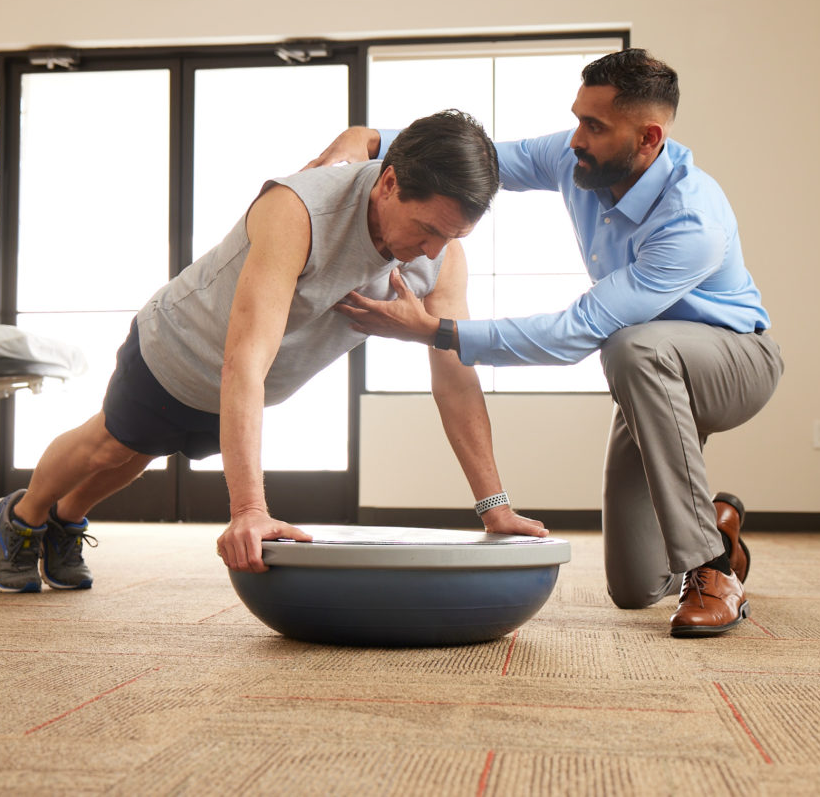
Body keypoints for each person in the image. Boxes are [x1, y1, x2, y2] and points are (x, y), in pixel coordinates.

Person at [316, 49, 784, 638]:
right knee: (635, 587)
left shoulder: (692, 220)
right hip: (653, 379)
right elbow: (483, 160)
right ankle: (717, 529)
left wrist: (438, 331)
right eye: (577, 118)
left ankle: (713, 571)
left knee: (629, 346)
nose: (576, 139)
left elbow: (580, 331)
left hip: (734, 363)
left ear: (648, 137)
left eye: (595, 126)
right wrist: (371, 137)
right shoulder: (574, 157)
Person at [0, 109, 549, 594]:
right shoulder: (300, 209)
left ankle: (66, 518)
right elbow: (245, 359)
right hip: (181, 350)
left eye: (451, 236)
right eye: (427, 228)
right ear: (388, 184)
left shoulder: (441, 257)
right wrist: (249, 510)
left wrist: (493, 507)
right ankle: (24, 517)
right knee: (112, 445)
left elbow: (455, 379)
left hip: (241, 395)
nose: (432, 250)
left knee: (138, 456)